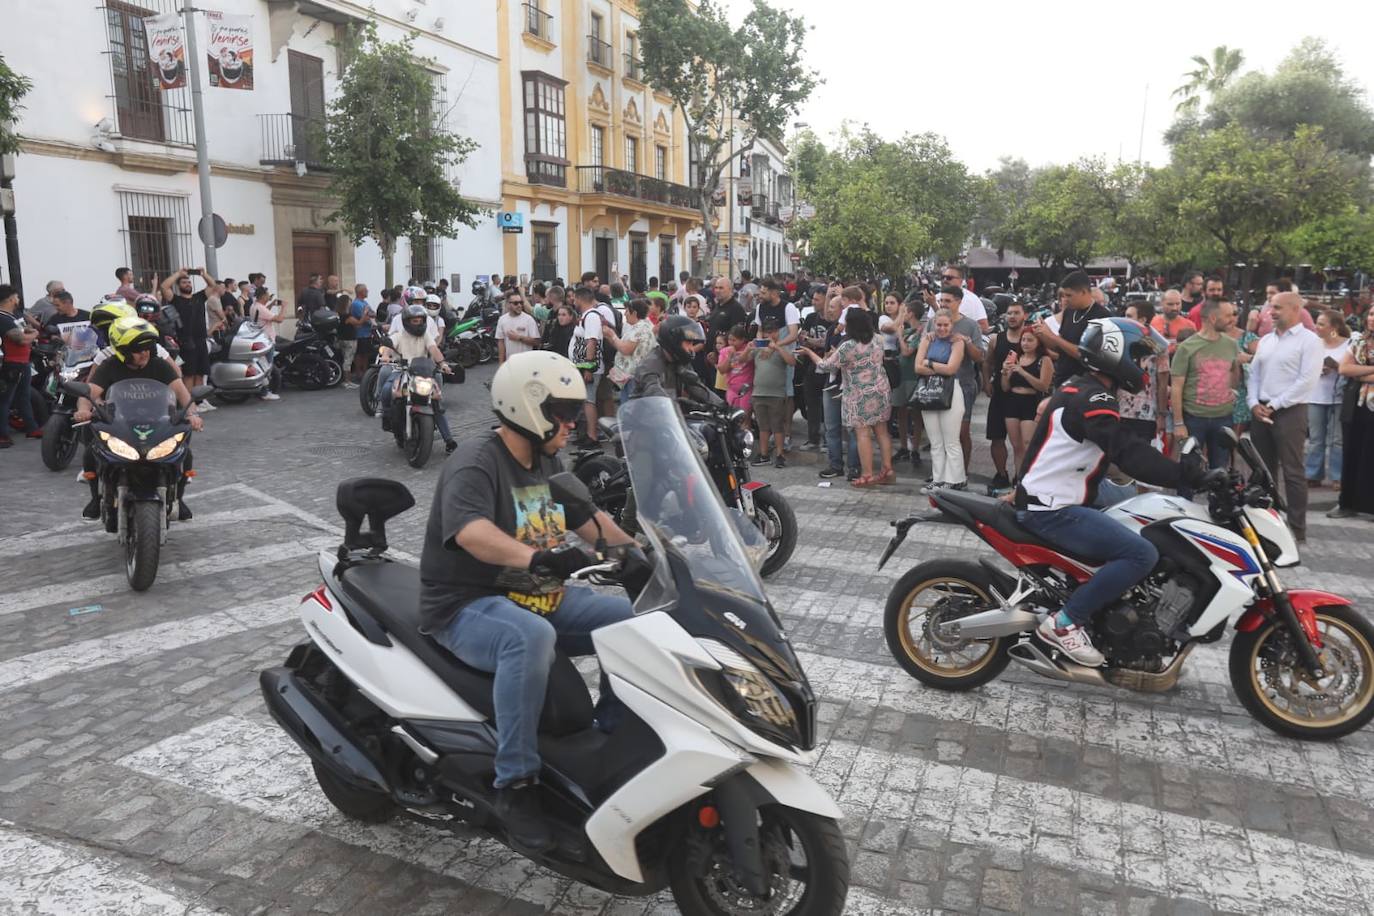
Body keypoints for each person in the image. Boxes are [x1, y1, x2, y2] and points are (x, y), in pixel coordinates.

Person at [419, 350, 637, 850]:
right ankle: (515, 785)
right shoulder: (475, 462)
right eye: (563, 414)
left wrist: (642, 553)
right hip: (464, 603)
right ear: (530, 408)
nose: (572, 424)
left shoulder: (547, 458)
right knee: (529, 639)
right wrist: (536, 560)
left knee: (633, 619)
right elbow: (472, 533)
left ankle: (607, 740)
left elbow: (585, 517)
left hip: (535, 596)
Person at [1015, 318, 1211, 666]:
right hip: (1053, 506)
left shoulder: (1084, 388)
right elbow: (1127, 452)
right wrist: (1186, 475)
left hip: (1065, 490)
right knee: (1141, 554)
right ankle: (1064, 623)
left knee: (1156, 511)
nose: (1142, 367)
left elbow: (1116, 453)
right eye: (1137, 357)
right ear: (1114, 355)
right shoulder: (1094, 397)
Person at [75, 317, 203, 519]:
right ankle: (95, 497)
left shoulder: (160, 365)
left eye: (147, 347)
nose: (144, 353)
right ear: (123, 351)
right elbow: (89, 393)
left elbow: (182, 393)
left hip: (158, 420)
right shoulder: (109, 366)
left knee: (184, 452)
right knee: (91, 451)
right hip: (120, 421)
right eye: (138, 349)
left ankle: (178, 497)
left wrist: (192, 414)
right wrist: (83, 409)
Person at [1248, 292, 1325, 544]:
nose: (1271, 312)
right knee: (1262, 471)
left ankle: (1297, 530)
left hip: (1290, 411)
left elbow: (1307, 381)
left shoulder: (1310, 341)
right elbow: (1254, 374)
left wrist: (1274, 405)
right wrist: (1253, 403)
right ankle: (1267, 525)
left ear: (1295, 309)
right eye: (1271, 307)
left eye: (1278, 307)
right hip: (1261, 410)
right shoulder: (1267, 340)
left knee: (1292, 471)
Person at [797, 308, 893, 487]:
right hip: (881, 389)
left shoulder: (848, 346)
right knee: (882, 431)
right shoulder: (877, 340)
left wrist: (809, 353)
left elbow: (826, 366)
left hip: (858, 393)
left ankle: (867, 474)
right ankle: (887, 469)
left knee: (862, 433)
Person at [1170, 299, 1240, 494]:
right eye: (1228, 315)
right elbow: (1176, 386)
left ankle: (1217, 516)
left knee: (1220, 474)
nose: (1232, 319)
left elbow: (1234, 371)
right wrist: (1178, 423)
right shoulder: (1187, 348)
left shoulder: (1231, 345)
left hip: (1224, 417)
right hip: (1193, 419)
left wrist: (1233, 391)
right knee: (1188, 471)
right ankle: (1184, 511)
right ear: (1212, 317)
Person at [377, 304, 457, 454]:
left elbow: (434, 349)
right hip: (401, 371)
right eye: (415, 321)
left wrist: (442, 363)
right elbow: (389, 344)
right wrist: (386, 355)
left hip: (422, 373)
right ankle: (387, 416)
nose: (418, 323)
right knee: (387, 390)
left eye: (420, 320)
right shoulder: (400, 335)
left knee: (435, 402)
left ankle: (449, 440)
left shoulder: (425, 335)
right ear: (407, 321)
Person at [926, 285, 985, 477]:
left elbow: (979, 358)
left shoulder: (970, 325)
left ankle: (961, 474)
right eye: (942, 300)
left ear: (959, 302)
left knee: (961, 432)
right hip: (935, 386)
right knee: (938, 435)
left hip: (962, 384)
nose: (943, 304)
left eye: (947, 301)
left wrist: (966, 342)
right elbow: (922, 352)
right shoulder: (933, 322)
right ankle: (940, 474)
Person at [913, 308, 967, 492]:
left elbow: (952, 369)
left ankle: (955, 479)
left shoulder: (958, 342)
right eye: (939, 325)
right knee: (935, 441)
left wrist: (929, 363)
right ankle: (938, 479)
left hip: (951, 391)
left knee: (951, 440)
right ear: (934, 324)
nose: (942, 328)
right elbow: (917, 368)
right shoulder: (927, 339)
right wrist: (937, 367)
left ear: (952, 325)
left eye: (946, 325)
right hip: (929, 391)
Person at [1329, 307, 1374, 519]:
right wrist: (1370, 372)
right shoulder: (1357, 341)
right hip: (1356, 405)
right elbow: (1344, 369)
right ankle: (1347, 503)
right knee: (1352, 452)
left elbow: (1353, 369)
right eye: (1371, 314)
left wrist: (1361, 372)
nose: (1372, 319)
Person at [983, 300, 1027, 492]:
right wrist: (986, 382)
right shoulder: (996, 339)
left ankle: (1021, 476)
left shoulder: (1031, 338)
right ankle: (1001, 474)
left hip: (1025, 396)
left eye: (1016, 313)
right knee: (996, 437)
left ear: (1024, 315)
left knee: (1022, 442)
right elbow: (987, 362)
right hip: (1000, 394)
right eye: (1009, 313)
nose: (1012, 317)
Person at [1305, 309, 1351, 488]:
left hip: (1339, 397)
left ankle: (1337, 476)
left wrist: (1337, 366)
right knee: (1316, 438)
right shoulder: (1313, 344)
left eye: (1322, 324)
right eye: (1317, 323)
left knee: (1337, 439)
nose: (1317, 327)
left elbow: (1351, 367)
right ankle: (1313, 474)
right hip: (1315, 396)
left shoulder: (1348, 344)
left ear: (1335, 327)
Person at [1001, 326, 1052, 477]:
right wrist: (1005, 373)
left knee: (1028, 444)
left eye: (1030, 340)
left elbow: (1043, 386)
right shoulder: (1016, 358)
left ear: (1038, 342)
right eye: (1023, 340)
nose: (1025, 343)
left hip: (1031, 402)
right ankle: (1018, 480)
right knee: (1017, 447)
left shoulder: (1044, 360)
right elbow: (1005, 387)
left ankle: (1030, 480)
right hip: (1013, 401)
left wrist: (1022, 372)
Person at [629, 313, 715, 403]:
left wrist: (724, 406)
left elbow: (697, 387)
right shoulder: (650, 366)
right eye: (688, 343)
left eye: (692, 344)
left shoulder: (679, 361)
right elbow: (654, 392)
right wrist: (676, 404)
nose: (691, 348)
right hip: (646, 414)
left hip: (668, 414)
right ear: (674, 341)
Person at [1119, 302, 1170, 452]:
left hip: (1145, 413)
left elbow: (1162, 382)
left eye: (1129, 316)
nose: (1125, 319)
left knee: (1139, 456)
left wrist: (1161, 414)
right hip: (1120, 408)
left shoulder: (1158, 345)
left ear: (1141, 319)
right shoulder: (1123, 337)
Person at [749, 317, 797, 468]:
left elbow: (792, 362)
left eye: (772, 332)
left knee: (777, 425)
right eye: (766, 332)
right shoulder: (758, 348)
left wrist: (777, 347)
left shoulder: (782, 348)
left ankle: (780, 454)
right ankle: (764, 454)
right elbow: (743, 360)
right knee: (763, 426)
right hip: (758, 392)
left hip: (776, 394)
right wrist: (748, 348)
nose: (769, 336)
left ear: (777, 333)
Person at [161, 268, 217, 398]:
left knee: (201, 372)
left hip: (201, 340)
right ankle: (188, 402)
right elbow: (164, 287)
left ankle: (199, 401)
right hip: (186, 342)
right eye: (184, 282)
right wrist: (178, 274)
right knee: (189, 373)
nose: (188, 284)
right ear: (179, 286)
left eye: (189, 282)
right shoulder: (176, 300)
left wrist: (203, 274)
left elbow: (212, 285)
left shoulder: (199, 297)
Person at [0, 284, 40, 447]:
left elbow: (26, 331)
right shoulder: (3, 318)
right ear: (10, 299)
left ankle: (32, 428)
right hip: (11, 364)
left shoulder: (12, 317)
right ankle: (2, 435)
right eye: (16, 297)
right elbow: (22, 339)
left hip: (22, 363)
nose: (18, 299)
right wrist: (35, 334)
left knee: (23, 397)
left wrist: (30, 332)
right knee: (5, 400)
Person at [796, 286, 832, 452]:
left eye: (817, 299)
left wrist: (812, 341)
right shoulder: (810, 317)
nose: (813, 302)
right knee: (811, 402)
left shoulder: (832, 321)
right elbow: (802, 337)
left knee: (827, 404)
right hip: (811, 365)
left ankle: (827, 439)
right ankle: (813, 438)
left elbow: (827, 343)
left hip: (828, 365)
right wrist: (810, 340)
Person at [603, 299, 656, 403]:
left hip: (634, 376)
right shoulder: (641, 326)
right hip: (633, 375)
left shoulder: (641, 328)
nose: (625, 314)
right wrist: (609, 336)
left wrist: (612, 335)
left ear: (634, 313)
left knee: (630, 406)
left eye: (627, 311)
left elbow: (626, 349)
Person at [922, 264, 989, 333]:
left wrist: (934, 305)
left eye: (949, 278)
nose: (945, 280)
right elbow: (929, 325)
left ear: (960, 281)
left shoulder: (972, 299)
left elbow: (984, 328)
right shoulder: (936, 297)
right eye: (943, 277)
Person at [495, 290, 540, 363]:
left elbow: (536, 341)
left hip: (526, 362)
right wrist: (501, 363)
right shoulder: (502, 320)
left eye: (521, 302)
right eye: (516, 303)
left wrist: (519, 337)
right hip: (510, 362)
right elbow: (501, 342)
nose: (519, 305)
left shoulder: (529, 319)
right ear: (508, 304)